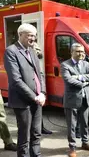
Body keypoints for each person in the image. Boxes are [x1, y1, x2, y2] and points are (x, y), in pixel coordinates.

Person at [4, 23, 46, 157]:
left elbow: (40, 75)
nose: (33, 39)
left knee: (36, 133)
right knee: (24, 136)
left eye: (34, 36)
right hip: (22, 101)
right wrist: (34, 96)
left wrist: (43, 93)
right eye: (29, 35)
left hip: (37, 99)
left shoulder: (32, 51)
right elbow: (16, 80)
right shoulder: (11, 51)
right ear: (20, 35)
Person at [61, 43, 89, 157]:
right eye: (78, 51)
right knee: (72, 125)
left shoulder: (86, 64)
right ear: (71, 52)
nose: (81, 53)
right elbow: (68, 80)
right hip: (72, 100)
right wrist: (83, 83)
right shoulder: (65, 65)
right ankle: (72, 148)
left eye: (82, 51)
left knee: (84, 123)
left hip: (85, 99)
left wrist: (79, 77)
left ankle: (85, 143)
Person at [30, 41, 52, 135]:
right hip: (30, 90)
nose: (39, 51)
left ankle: (40, 128)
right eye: (36, 49)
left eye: (39, 49)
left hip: (38, 90)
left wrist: (43, 91)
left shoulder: (37, 60)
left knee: (39, 109)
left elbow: (41, 75)